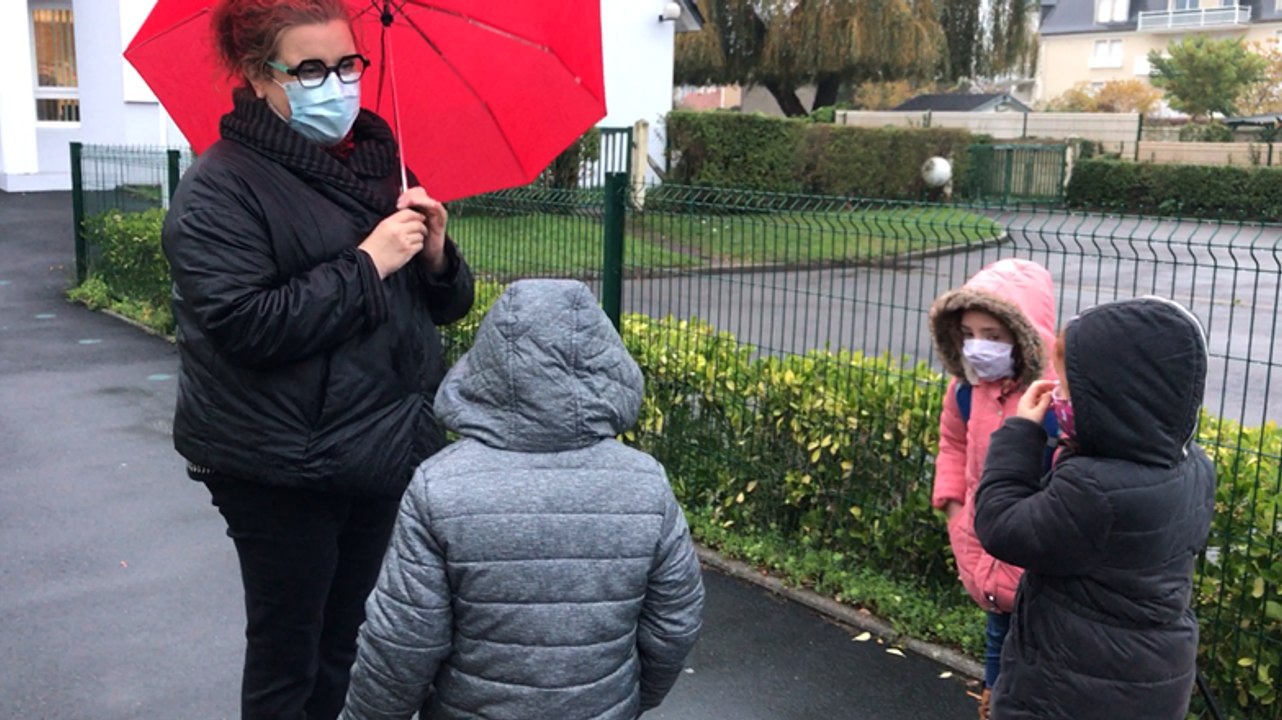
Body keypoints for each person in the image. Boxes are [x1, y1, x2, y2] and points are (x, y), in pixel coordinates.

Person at [161, 1, 474, 718]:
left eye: (345, 65)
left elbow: (445, 306)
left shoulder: (377, 161)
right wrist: (368, 264)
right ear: (257, 76)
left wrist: (434, 254)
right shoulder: (221, 188)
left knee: (349, 642)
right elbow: (247, 326)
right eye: (308, 69)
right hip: (281, 465)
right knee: (289, 658)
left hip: (379, 451)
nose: (333, 84)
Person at [338, 280, 706, 720]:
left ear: (486, 365)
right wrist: (631, 700)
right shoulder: (646, 485)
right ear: (605, 363)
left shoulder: (440, 486)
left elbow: (402, 641)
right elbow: (675, 623)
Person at [974, 297, 1215, 720]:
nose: (1057, 397)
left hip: (1070, 689)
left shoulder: (1092, 490)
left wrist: (1021, 434)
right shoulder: (1193, 466)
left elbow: (1000, 525)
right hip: (1151, 677)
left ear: (1110, 401)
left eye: (1067, 389)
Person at [927, 258, 1058, 719]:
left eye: (994, 336)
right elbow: (953, 445)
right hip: (986, 550)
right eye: (968, 334)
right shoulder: (965, 391)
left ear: (1025, 338)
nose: (978, 347)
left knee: (1047, 659)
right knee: (997, 641)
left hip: (1042, 564)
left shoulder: (1053, 402)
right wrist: (956, 511)